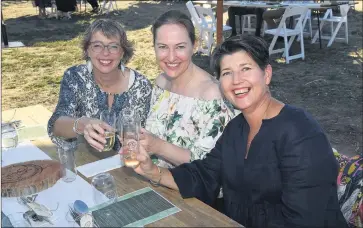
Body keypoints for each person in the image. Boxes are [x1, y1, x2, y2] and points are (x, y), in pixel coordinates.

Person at [131, 35, 349, 228]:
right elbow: (205, 175)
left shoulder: (300, 133)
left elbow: (306, 219)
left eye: (246, 69)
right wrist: (153, 172)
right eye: (227, 72)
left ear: (267, 74)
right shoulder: (236, 128)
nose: (236, 81)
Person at [138, 10, 236, 170]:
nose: (171, 57)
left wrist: (157, 146)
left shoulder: (212, 95)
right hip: (153, 180)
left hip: (190, 191)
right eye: (163, 47)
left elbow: (209, 166)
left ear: (194, 45)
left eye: (180, 47)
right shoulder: (161, 82)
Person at [48, 19, 152, 157]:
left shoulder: (141, 86)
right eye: (97, 46)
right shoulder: (75, 77)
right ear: (87, 50)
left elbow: (145, 138)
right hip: (85, 161)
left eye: (113, 46)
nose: (105, 53)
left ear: (122, 52)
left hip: (129, 167)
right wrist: (82, 124)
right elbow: (56, 125)